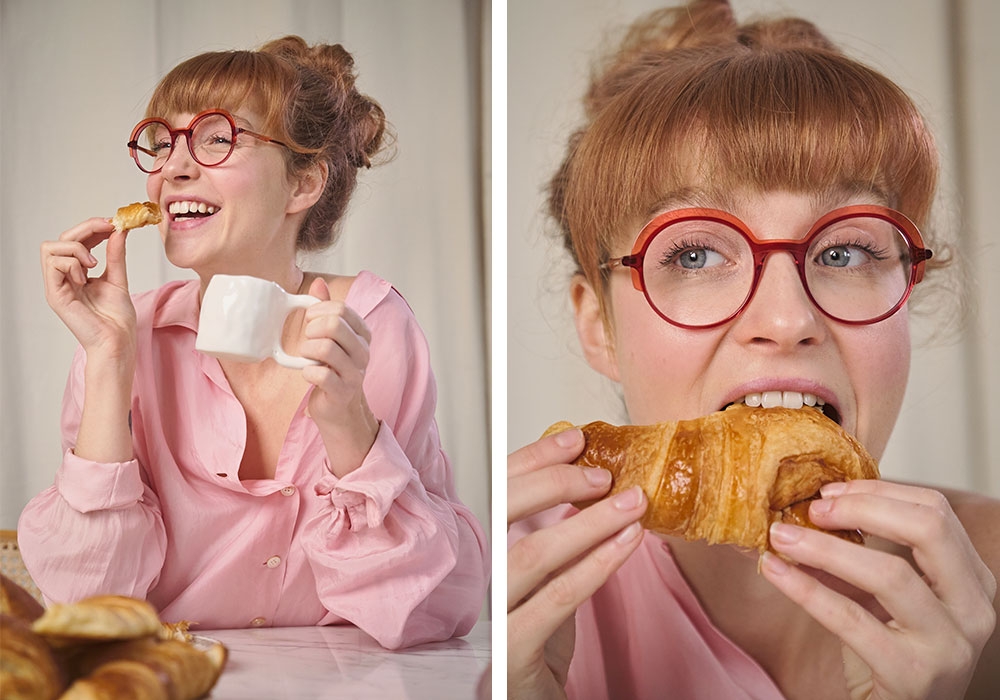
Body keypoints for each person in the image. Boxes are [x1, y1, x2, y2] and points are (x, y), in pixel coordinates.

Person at [507, 1, 999, 697]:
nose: (787, 317)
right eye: (698, 254)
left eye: (847, 249)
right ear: (599, 327)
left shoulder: (993, 575)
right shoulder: (493, 590)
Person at [19, 35, 489, 650]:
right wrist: (109, 360)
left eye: (217, 139)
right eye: (163, 143)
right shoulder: (123, 337)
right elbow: (89, 610)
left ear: (303, 185)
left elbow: (429, 611)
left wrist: (349, 426)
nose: (173, 168)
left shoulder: (370, 326)